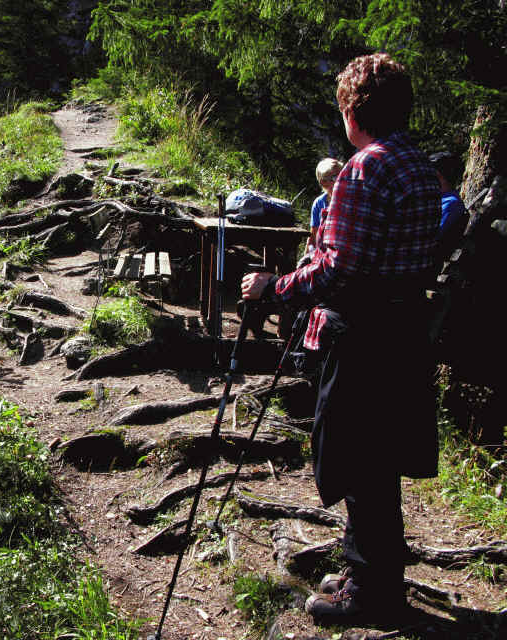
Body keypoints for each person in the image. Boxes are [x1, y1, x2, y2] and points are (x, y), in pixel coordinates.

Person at [241, 53, 441, 622]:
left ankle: (372, 597)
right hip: (406, 328)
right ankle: (369, 569)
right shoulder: (420, 168)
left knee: (358, 459)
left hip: (364, 333)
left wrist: (274, 287)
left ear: (354, 110)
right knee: (381, 458)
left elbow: (338, 271)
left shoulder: (363, 169)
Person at [429, 151, 469, 266]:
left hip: (423, 263)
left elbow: (433, 236)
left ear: (441, 176)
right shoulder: (439, 198)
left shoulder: (451, 203)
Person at [304, 158, 344, 256]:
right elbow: (313, 237)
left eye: (342, 175)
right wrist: (305, 260)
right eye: (335, 177)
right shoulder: (319, 203)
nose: (340, 179)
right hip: (323, 255)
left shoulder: (348, 199)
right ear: (323, 182)